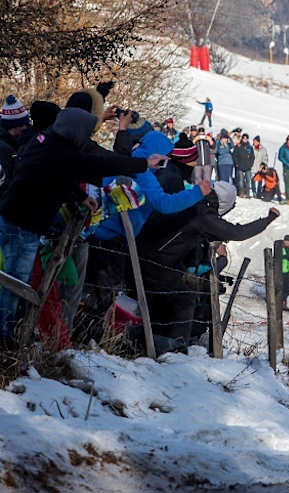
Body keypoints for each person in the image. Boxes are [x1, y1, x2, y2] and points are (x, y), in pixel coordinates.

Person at [0, 107, 166, 343]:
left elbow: (52, 176)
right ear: (76, 131)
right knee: (16, 280)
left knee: (14, 278)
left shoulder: (45, 141)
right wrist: (143, 163)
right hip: (23, 225)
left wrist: (78, 197)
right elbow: (100, 165)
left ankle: (9, 330)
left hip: (13, 217)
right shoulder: (63, 152)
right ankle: (5, 334)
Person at [140, 183, 280, 347]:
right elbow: (237, 232)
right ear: (224, 203)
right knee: (184, 299)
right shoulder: (203, 214)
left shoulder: (194, 204)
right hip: (159, 261)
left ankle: (159, 343)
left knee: (167, 302)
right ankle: (174, 350)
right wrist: (268, 219)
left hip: (152, 254)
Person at [0, 95, 31, 197]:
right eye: (24, 124)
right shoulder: (4, 149)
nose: (26, 128)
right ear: (15, 126)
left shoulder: (15, 142)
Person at [233, 132, 254, 197]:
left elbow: (252, 157)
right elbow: (234, 155)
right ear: (242, 139)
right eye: (244, 138)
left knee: (248, 180)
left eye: (246, 138)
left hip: (248, 166)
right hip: (240, 166)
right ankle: (241, 192)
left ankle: (247, 193)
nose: (245, 139)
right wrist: (236, 163)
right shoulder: (238, 146)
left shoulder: (250, 147)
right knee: (240, 181)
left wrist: (250, 164)